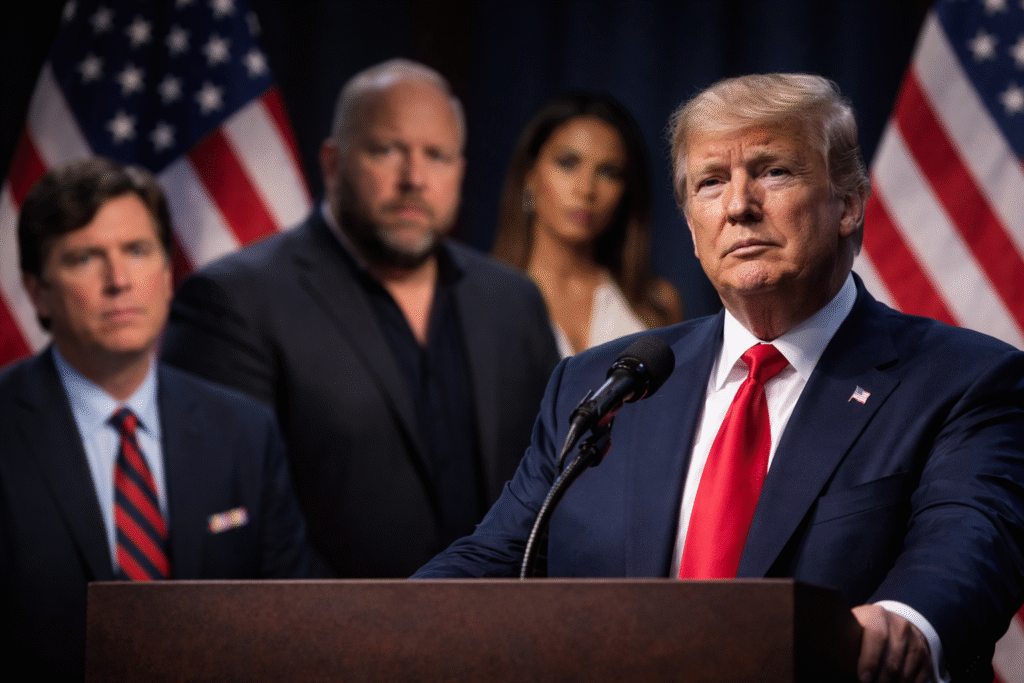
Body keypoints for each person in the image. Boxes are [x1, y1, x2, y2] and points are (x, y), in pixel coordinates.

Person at [414, 74, 1024, 683]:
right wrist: (374, 623)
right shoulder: (600, 384)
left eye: (774, 172)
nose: (738, 206)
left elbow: (970, 541)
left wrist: (905, 620)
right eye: (711, 183)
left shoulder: (963, 382)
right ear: (691, 225)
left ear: (849, 203)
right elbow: (496, 557)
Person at [161, 59, 560, 578]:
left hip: (507, 640)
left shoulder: (512, 301)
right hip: (322, 644)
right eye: (386, 151)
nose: (414, 179)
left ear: (459, 170)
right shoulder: (232, 303)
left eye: (437, 156)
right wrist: (358, 643)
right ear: (332, 163)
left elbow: (552, 488)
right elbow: (237, 524)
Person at [0, 158, 318, 681]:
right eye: (85, 258)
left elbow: (291, 624)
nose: (119, 281)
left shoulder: (242, 432)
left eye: (137, 251)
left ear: (168, 275)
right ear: (37, 293)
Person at [491, 92, 683, 357]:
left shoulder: (657, 302)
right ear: (529, 175)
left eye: (608, 172)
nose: (586, 190)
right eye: (567, 163)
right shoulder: (486, 300)